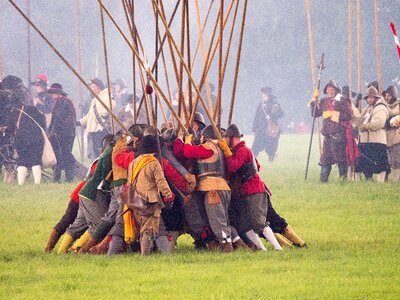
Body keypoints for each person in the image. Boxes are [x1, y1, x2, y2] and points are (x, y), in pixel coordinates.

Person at [223, 124, 283, 251]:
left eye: (227, 138)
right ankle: (262, 250)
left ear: (232, 138)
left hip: (254, 189)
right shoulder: (241, 151)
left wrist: (227, 154)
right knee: (245, 225)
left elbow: (233, 166)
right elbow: (257, 165)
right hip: (245, 191)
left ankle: (278, 249)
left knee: (259, 223)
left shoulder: (243, 150)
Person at [126, 134, 174, 256]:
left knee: (143, 230)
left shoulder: (134, 162)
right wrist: (168, 195)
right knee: (148, 230)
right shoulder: (154, 163)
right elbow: (161, 182)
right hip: (150, 202)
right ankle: (144, 256)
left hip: (135, 201)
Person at [4, 76, 46, 185]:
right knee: (35, 161)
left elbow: (11, 128)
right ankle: (37, 184)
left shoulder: (14, 112)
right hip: (36, 138)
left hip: (21, 139)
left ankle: (21, 184)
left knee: (22, 161)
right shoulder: (32, 109)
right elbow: (42, 121)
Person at [309, 80, 354, 182]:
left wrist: (332, 114)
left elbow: (348, 116)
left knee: (341, 159)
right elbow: (315, 114)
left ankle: (343, 180)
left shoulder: (343, 100)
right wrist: (314, 102)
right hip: (327, 135)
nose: (330, 91)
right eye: (329, 89)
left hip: (339, 135)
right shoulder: (324, 101)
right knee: (325, 159)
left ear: (336, 90)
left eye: (332, 89)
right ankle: (323, 182)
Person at [355, 86, 390, 182]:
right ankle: (369, 182)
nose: (370, 99)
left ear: (376, 98)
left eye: (372, 97)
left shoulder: (381, 108)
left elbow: (379, 123)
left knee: (380, 164)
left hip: (377, 140)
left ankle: (380, 183)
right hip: (366, 141)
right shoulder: (367, 108)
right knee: (366, 163)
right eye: (368, 98)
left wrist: (366, 126)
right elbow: (358, 122)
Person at [76, 78, 116, 159]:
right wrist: (80, 122)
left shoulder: (106, 98)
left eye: (93, 87)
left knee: (102, 154)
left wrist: (105, 114)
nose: (92, 89)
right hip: (94, 132)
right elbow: (90, 116)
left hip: (101, 131)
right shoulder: (95, 99)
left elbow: (111, 105)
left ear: (98, 88)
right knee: (96, 154)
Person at [47, 83, 76, 182]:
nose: (53, 95)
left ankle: (68, 177)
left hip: (65, 133)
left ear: (59, 93)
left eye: (55, 93)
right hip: (63, 132)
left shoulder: (63, 101)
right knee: (60, 154)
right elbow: (55, 118)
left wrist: (53, 130)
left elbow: (58, 118)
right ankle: (59, 177)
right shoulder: (60, 101)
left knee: (64, 154)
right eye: (52, 93)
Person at [251, 86, 284, 161]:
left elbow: (281, 114)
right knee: (256, 147)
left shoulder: (275, 104)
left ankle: (271, 160)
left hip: (271, 129)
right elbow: (256, 117)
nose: (263, 97)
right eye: (263, 95)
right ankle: (252, 161)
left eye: (265, 95)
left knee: (271, 148)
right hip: (260, 130)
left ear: (269, 96)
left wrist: (271, 116)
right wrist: (254, 129)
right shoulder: (260, 105)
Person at [384, 85, 400, 182]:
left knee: (397, 160)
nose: (386, 98)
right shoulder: (387, 106)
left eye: (388, 95)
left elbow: (393, 113)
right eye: (385, 95)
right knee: (390, 160)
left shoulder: (398, 105)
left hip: (397, 136)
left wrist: (383, 104)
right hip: (388, 135)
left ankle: (396, 180)